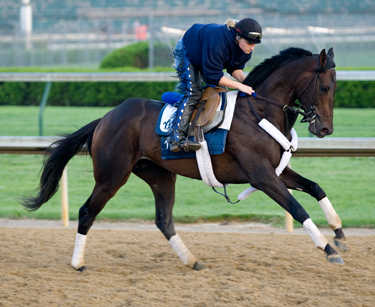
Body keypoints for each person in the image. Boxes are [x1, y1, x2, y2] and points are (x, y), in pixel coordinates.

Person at [168, 18, 263, 153]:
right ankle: (176, 139)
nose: (252, 47)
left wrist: (246, 82)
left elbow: (235, 70)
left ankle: (207, 134)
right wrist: (239, 86)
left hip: (206, 56)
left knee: (221, 93)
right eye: (249, 43)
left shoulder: (245, 48)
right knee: (193, 93)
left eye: (255, 44)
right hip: (188, 51)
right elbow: (214, 76)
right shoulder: (219, 42)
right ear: (238, 36)